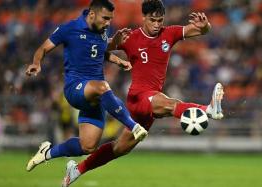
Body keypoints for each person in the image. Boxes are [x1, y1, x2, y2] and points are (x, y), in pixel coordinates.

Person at [61, 0, 224, 187]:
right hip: (138, 97)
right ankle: (208, 109)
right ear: (144, 17)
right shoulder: (131, 37)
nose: (157, 25)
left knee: (120, 148)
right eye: (153, 20)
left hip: (152, 99)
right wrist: (114, 42)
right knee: (170, 104)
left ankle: (77, 169)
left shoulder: (169, 33)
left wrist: (205, 26)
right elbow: (100, 48)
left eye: (160, 20)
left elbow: (200, 31)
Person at [25, 0, 148, 173]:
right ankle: (134, 126)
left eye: (110, 19)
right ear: (92, 14)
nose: (108, 23)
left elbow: (99, 51)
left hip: (95, 95)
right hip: (75, 88)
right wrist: (36, 63)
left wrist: (117, 59)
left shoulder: (103, 30)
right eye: (105, 18)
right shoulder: (70, 28)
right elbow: (43, 48)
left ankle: (47, 152)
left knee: (88, 146)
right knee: (103, 87)